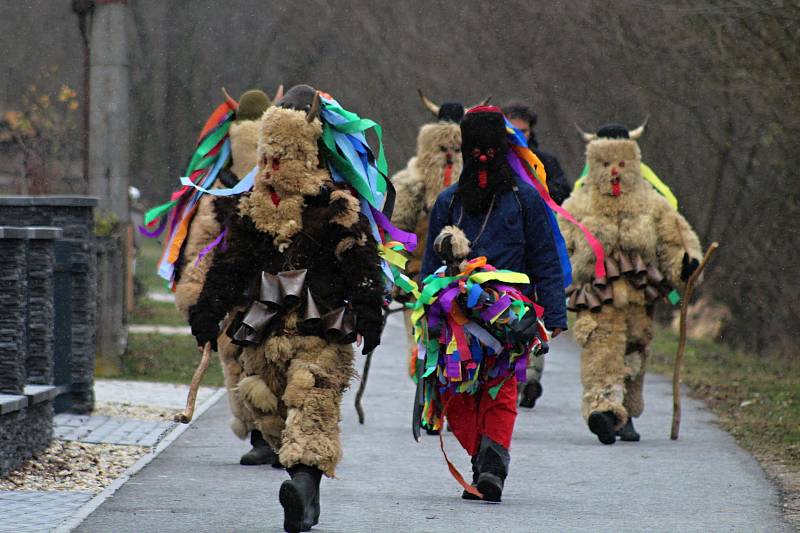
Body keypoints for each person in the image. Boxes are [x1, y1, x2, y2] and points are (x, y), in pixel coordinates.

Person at [188, 85, 386, 532]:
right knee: (272, 414)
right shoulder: (251, 209)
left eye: (283, 158)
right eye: (267, 159)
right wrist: (207, 312)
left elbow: (359, 256)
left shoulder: (333, 204)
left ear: (306, 154)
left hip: (323, 330)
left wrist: (370, 309)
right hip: (264, 333)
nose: (273, 169)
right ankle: (305, 491)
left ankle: (302, 487)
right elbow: (230, 266)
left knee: (312, 407)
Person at [419, 105, 567, 501]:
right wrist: (426, 312)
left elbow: (545, 257)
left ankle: (493, 466)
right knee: (457, 393)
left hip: (511, 315)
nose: (483, 157)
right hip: (456, 316)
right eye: (475, 149)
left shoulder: (525, 202)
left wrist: (553, 313)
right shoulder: (449, 202)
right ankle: (482, 461)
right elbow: (432, 266)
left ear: (503, 148)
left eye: (490, 148)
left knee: (500, 389)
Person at [559, 122, 701, 444]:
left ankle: (626, 410)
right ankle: (602, 408)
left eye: (621, 164)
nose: (613, 172)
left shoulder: (652, 203)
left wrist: (685, 266)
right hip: (598, 295)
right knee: (600, 350)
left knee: (635, 349)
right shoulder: (579, 203)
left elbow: (672, 239)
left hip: (639, 295)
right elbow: (559, 242)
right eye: (606, 164)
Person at [171, 89, 281, 466]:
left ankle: (260, 436)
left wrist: (197, 297)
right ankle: (280, 433)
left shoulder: (220, 186)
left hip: (233, 287)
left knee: (239, 362)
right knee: (277, 359)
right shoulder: (280, 173)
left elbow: (204, 243)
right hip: (277, 286)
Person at [503, 101, 570, 408]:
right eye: (513, 130)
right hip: (509, 249)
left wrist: (539, 192)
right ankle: (520, 375)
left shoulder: (545, 162)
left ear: (532, 132)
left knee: (536, 307)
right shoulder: (498, 165)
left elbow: (561, 193)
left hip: (541, 240)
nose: (519, 135)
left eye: (524, 131)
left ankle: (531, 376)